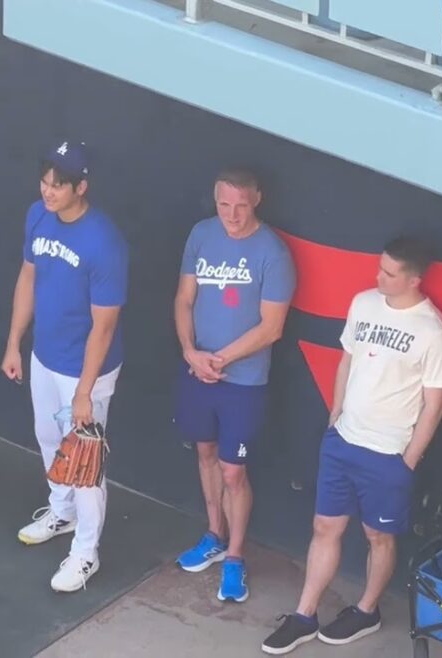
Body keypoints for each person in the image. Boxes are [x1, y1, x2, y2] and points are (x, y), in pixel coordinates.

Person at [262, 237, 442, 655]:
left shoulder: (435, 332)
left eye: (389, 273)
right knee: (324, 528)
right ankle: (304, 615)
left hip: (389, 454)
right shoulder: (364, 303)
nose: (378, 277)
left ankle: (367, 610)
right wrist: (335, 415)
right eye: (379, 268)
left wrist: (407, 460)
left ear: (414, 279)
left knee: (378, 537)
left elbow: (434, 405)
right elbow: (347, 358)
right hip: (343, 439)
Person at [1, 140, 129, 592]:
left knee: (85, 463)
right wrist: (15, 341)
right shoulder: (37, 215)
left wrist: (83, 392)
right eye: (45, 182)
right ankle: (63, 511)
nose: (48, 192)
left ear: (81, 187)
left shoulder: (104, 242)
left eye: (58, 185)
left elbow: (105, 326)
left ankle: (85, 553)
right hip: (44, 355)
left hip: (85, 371)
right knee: (48, 437)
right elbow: (29, 276)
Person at [173, 168, 295, 603]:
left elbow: (272, 327)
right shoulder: (202, 234)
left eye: (241, 205)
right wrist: (190, 351)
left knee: (232, 470)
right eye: (225, 204)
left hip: (241, 381)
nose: (233, 214)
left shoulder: (273, 252)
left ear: (257, 199)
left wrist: (219, 359)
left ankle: (236, 557)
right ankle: (213, 535)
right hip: (198, 372)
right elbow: (184, 298)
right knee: (204, 453)